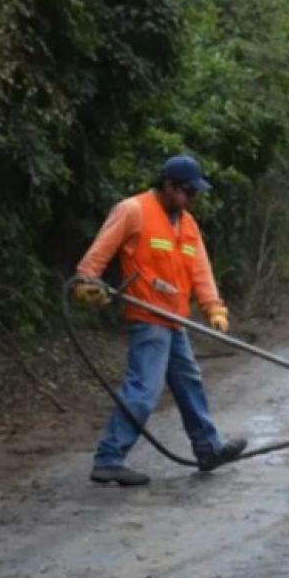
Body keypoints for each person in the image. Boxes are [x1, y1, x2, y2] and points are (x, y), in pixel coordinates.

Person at [73, 155, 247, 486]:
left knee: (189, 382)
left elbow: (200, 270)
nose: (192, 199)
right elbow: (98, 253)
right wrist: (86, 282)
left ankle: (208, 448)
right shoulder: (133, 210)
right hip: (148, 317)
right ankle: (109, 458)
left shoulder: (188, 223)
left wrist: (214, 307)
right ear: (168, 185)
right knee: (144, 390)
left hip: (175, 320)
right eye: (188, 192)